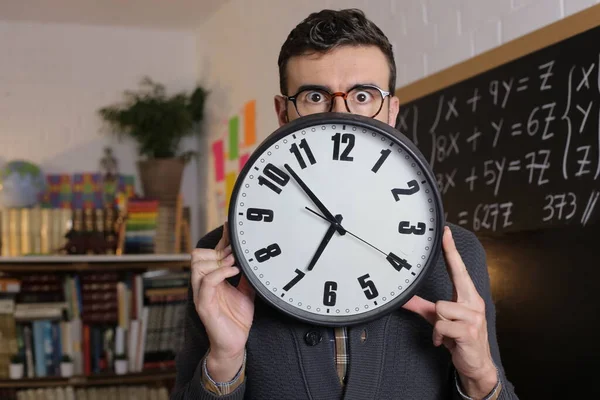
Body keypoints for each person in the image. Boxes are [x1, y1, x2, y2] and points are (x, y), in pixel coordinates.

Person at [171, 9, 518, 400]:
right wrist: (224, 360)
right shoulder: (220, 260)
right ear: (282, 112)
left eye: (363, 95)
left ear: (391, 111)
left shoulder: (457, 256)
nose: (340, 113)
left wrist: (479, 376)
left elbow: (491, 384)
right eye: (315, 96)